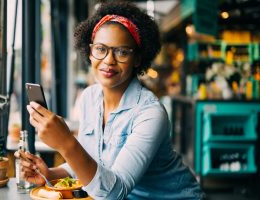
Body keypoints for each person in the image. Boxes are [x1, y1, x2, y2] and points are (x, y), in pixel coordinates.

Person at [18, 2, 204, 199]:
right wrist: (50, 174)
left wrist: (66, 143)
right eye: (101, 49)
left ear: (138, 59)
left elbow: (115, 192)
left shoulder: (150, 114)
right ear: (90, 52)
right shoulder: (89, 98)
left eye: (122, 52)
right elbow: (93, 163)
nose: (108, 60)